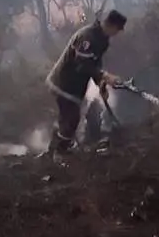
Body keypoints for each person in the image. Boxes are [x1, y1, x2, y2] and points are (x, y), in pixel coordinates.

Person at [45, 9, 127, 157]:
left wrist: (100, 82)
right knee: (71, 119)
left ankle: (55, 148)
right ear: (112, 26)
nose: (117, 33)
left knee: (68, 119)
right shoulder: (87, 37)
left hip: (74, 86)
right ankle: (59, 154)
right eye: (118, 29)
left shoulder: (103, 40)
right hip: (63, 84)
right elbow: (82, 64)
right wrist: (105, 76)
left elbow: (95, 63)